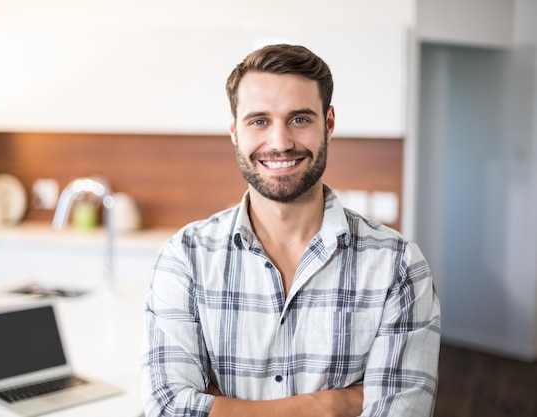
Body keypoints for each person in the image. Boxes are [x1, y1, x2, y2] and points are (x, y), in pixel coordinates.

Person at [142, 44, 441, 417]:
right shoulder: (185, 256)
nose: (280, 143)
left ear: (328, 124)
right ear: (235, 131)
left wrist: (221, 406)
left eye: (299, 119)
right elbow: (168, 408)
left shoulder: (398, 264)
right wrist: (329, 404)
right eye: (259, 121)